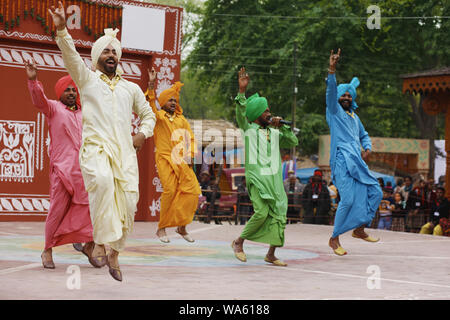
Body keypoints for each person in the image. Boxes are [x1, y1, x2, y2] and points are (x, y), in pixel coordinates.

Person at [49, 2, 156, 281]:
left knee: (129, 203)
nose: (111, 54)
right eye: (105, 51)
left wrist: (142, 134)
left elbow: (148, 115)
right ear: (97, 56)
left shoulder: (130, 88)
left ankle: (115, 253)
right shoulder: (87, 81)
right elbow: (71, 57)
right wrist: (62, 29)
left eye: (114, 51)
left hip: (125, 154)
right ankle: (97, 241)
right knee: (104, 183)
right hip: (96, 149)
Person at [25, 60, 94, 269]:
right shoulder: (54, 108)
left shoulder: (84, 114)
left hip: (83, 172)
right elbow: (39, 101)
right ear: (60, 93)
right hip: (62, 172)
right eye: (67, 90)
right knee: (56, 210)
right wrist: (33, 80)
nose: (72, 93)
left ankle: (88, 244)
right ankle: (47, 250)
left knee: (90, 209)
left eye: (74, 90)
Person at [231, 67, 298, 266]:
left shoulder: (275, 132)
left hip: (275, 180)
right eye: (266, 111)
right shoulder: (248, 128)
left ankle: (270, 254)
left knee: (279, 214)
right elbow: (241, 112)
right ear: (257, 114)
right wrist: (242, 92)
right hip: (257, 178)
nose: (269, 113)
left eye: (269, 110)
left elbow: (293, 141)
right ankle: (238, 242)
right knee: (261, 213)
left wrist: (282, 126)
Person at [325, 49, 382, 256]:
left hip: (357, 162)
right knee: (347, 200)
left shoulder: (355, 117)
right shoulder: (334, 112)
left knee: (376, 192)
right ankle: (334, 238)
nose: (346, 97)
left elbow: (364, 134)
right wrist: (332, 69)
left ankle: (359, 229)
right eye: (344, 94)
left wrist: (367, 147)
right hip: (341, 161)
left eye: (349, 95)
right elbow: (330, 92)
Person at [145, 68, 200, 242]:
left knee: (192, 191)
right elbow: (150, 105)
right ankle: (161, 228)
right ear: (162, 102)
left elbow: (190, 138)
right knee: (169, 191)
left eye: (175, 100)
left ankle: (182, 227)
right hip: (164, 159)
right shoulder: (158, 117)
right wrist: (151, 85)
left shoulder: (181, 120)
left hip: (181, 160)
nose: (173, 103)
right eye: (170, 100)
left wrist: (191, 155)